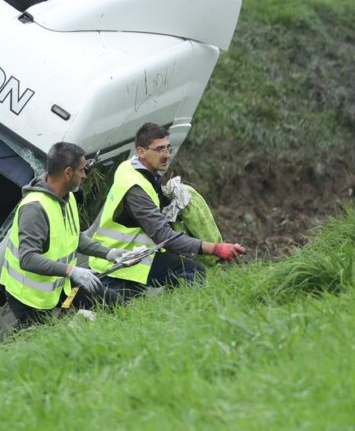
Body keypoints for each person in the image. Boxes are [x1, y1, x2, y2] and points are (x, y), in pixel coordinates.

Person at [88, 122, 245, 300]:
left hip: (132, 255)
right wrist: (215, 248)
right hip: (122, 260)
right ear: (141, 152)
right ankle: (182, 315)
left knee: (123, 310)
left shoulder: (132, 168)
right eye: (160, 149)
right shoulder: (135, 189)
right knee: (192, 272)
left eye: (168, 148)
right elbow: (164, 236)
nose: (167, 155)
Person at [0, 142, 118, 326]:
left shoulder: (67, 197)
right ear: (68, 172)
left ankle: (70, 324)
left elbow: (73, 237)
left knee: (114, 303)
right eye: (82, 170)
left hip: (63, 288)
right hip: (30, 299)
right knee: (41, 342)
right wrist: (72, 270)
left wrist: (109, 253)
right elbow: (28, 259)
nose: (85, 175)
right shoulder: (35, 208)